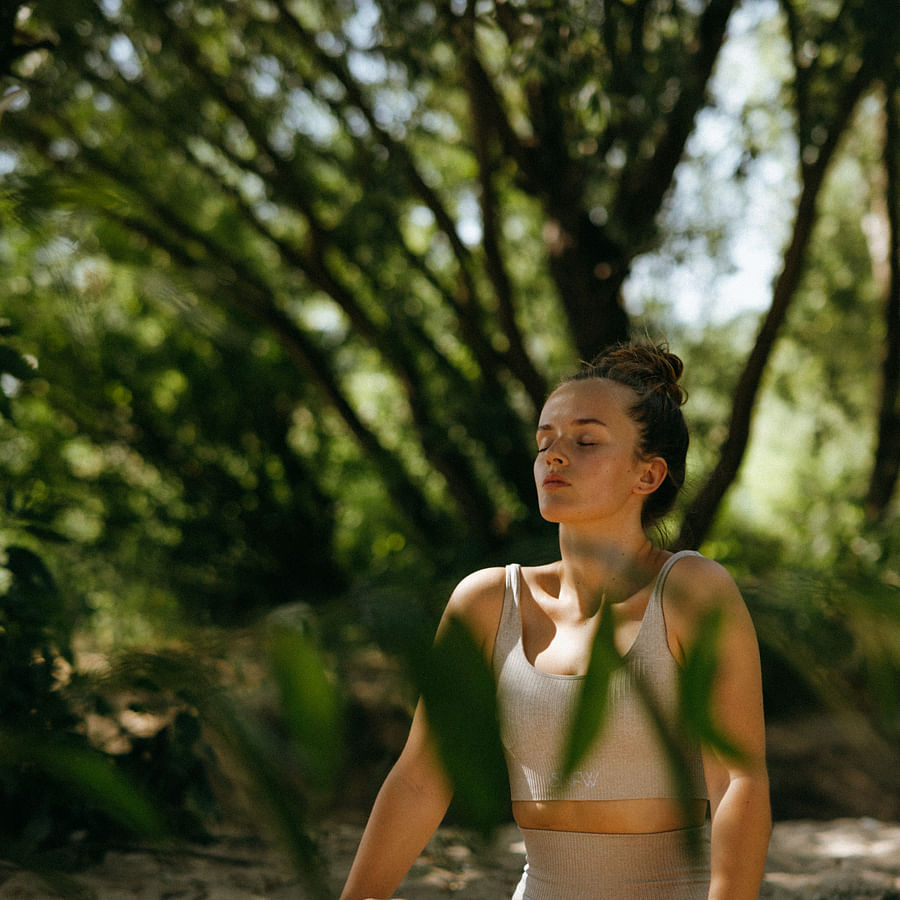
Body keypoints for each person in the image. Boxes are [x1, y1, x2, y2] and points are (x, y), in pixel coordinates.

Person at [339, 341, 771, 900]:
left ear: (649, 474)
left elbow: (738, 779)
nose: (554, 456)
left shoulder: (692, 591)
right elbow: (421, 779)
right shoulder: (487, 601)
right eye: (545, 441)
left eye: (586, 440)